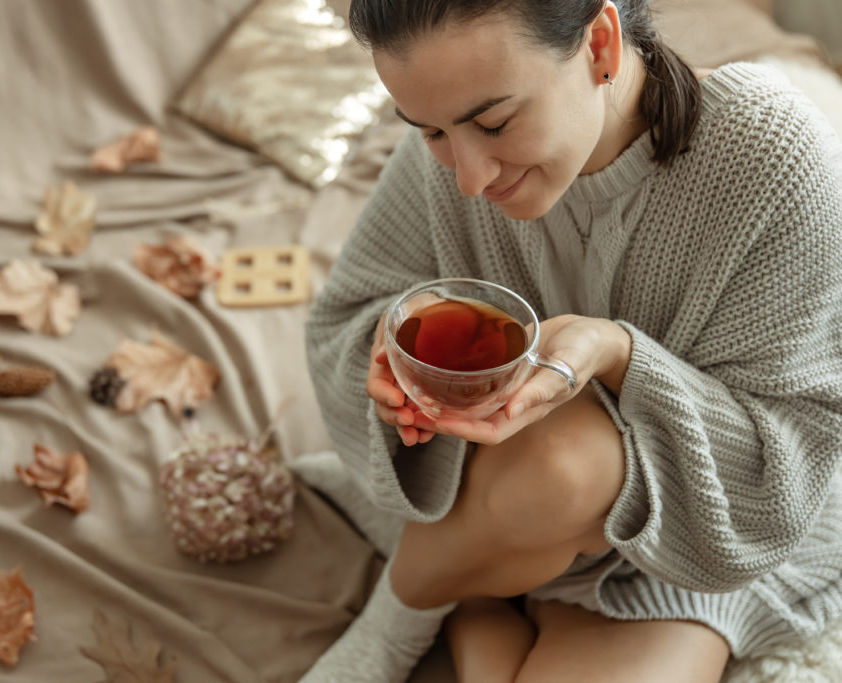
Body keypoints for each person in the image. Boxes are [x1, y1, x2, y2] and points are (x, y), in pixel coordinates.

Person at [299, 0, 842, 681]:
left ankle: (471, 601)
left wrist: (616, 353)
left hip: (691, 528)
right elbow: (347, 316)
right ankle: (404, 615)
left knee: (571, 460)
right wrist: (397, 356)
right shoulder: (452, 138)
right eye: (430, 132)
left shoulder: (774, 158)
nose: (468, 177)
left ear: (601, 45)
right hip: (521, 494)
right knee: (562, 460)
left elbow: (788, 446)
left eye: (493, 122)